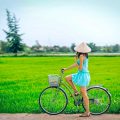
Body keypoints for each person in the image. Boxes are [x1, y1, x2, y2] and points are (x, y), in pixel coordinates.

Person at [62, 42, 91, 117]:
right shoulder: (83, 55)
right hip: (81, 74)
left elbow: (80, 68)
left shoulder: (81, 56)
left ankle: (87, 112)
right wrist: (66, 69)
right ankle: (75, 91)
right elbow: (76, 64)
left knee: (84, 94)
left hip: (83, 75)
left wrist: (76, 60)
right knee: (67, 78)